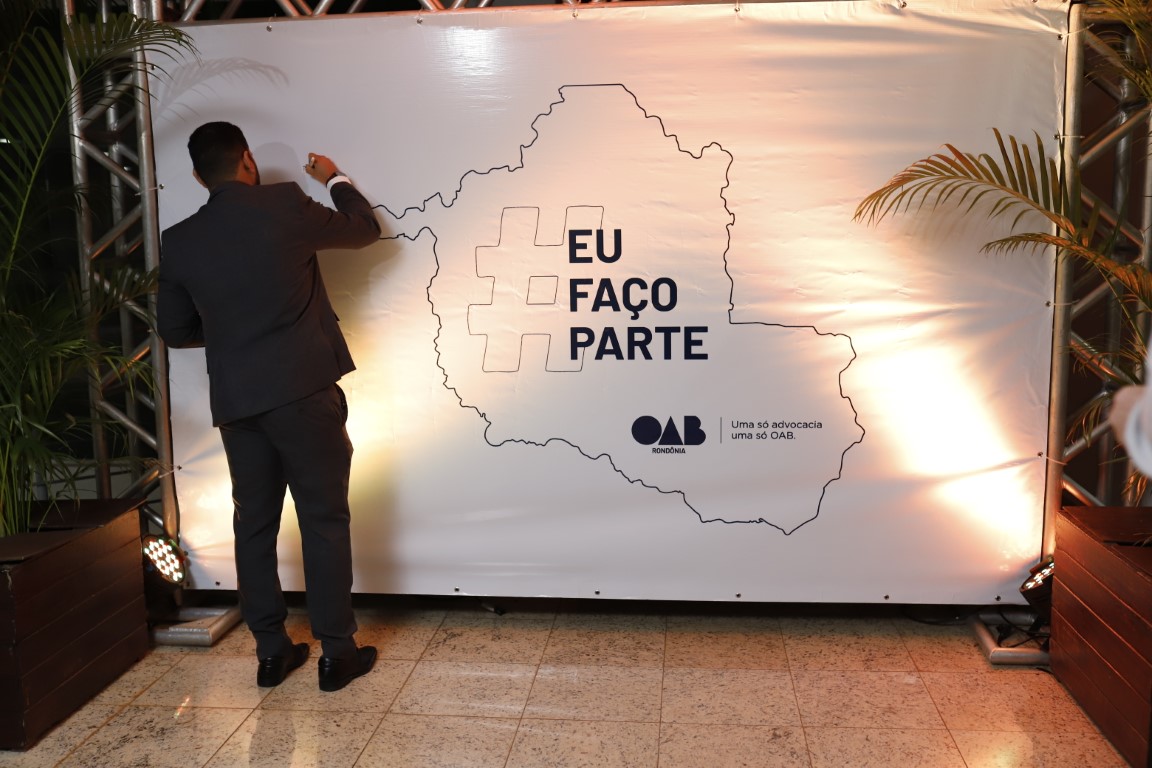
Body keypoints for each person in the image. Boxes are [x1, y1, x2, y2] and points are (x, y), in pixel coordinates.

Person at [157, 122, 381, 691]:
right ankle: (337, 654)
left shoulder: (179, 240)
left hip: (238, 402)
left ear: (198, 176)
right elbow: (364, 230)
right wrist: (335, 178)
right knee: (323, 521)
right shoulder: (285, 203)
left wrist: (233, 334)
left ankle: (271, 653)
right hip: (303, 394)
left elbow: (175, 330)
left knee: (253, 526)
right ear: (248, 160)